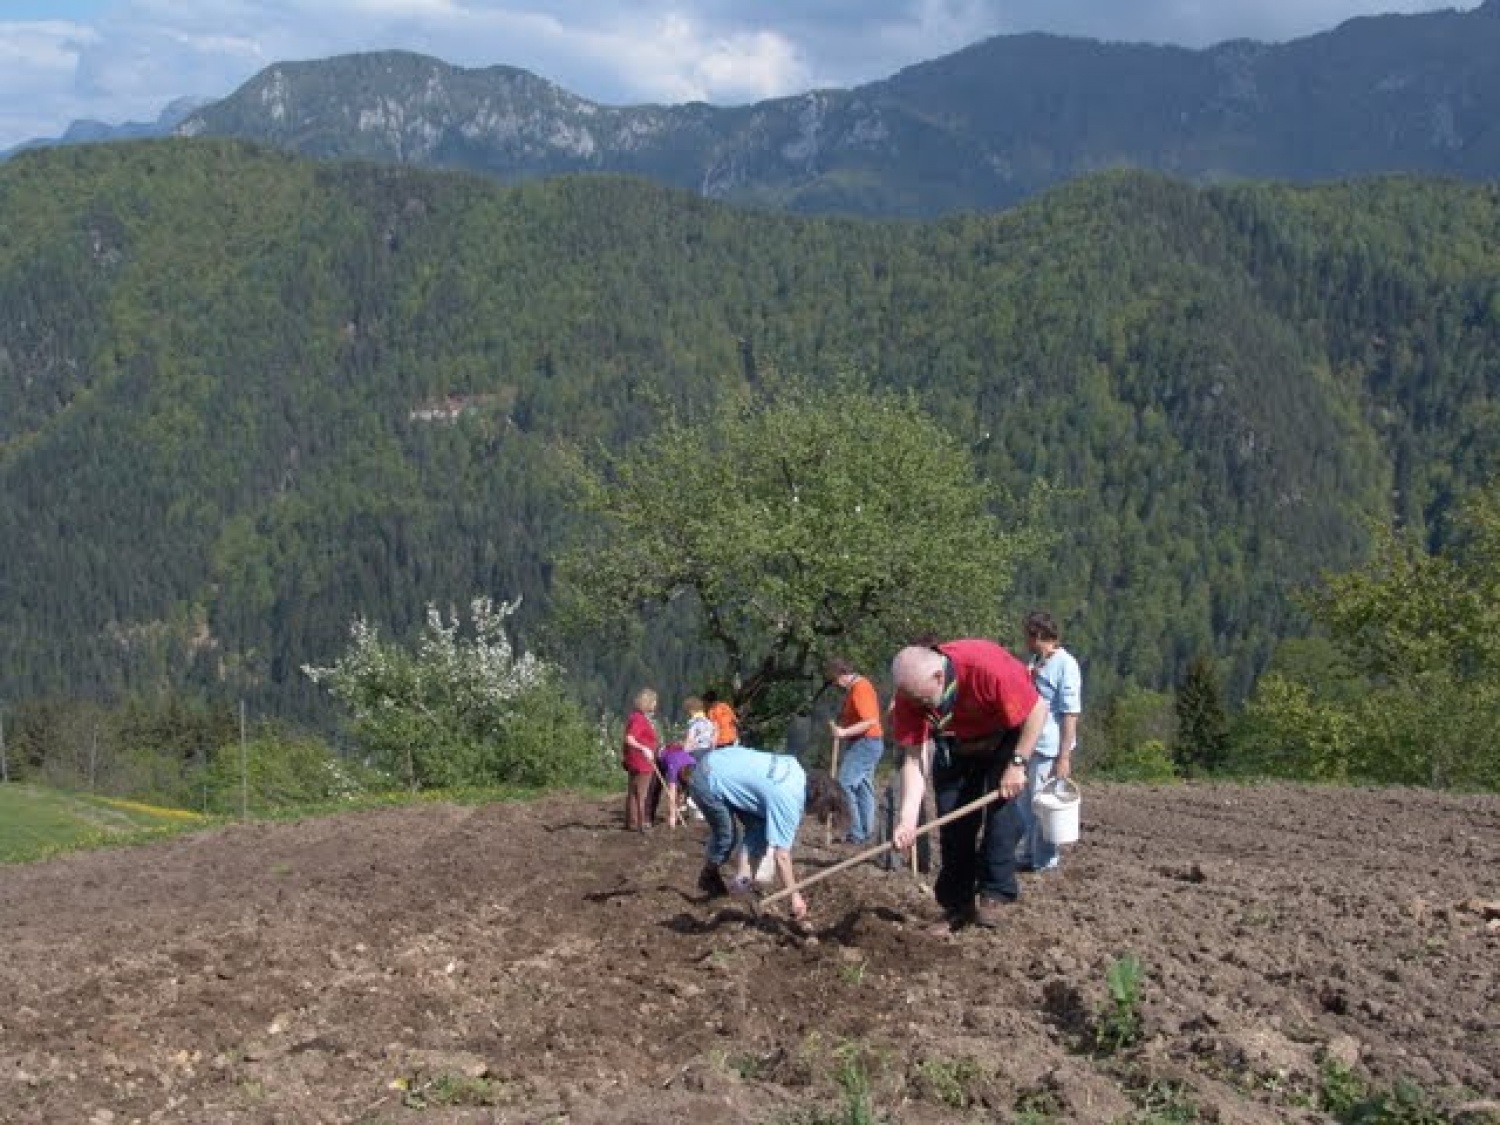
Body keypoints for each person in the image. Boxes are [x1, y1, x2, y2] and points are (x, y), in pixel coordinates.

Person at [889, 640, 1046, 930]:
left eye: (922, 699)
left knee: (1002, 817)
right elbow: (914, 759)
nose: (917, 705)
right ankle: (956, 905)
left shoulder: (986, 668)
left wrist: (1018, 764)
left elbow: (1038, 710)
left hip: (1004, 740)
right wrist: (907, 818)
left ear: (939, 677)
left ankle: (994, 895)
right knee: (954, 823)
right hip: (954, 745)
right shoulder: (909, 697)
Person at [686, 744, 847, 921]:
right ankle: (709, 874)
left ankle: (742, 880)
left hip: (722, 760)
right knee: (728, 837)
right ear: (819, 802)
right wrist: (795, 896)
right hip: (708, 779)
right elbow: (782, 856)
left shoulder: (796, 770)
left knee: (762, 826)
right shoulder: (789, 802)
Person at [1017, 611, 1083, 873]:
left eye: (1028, 636)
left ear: (1039, 636)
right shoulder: (1035, 661)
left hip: (1049, 746)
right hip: (1030, 743)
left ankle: (1045, 862)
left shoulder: (1066, 664)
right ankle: (1027, 853)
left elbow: (1070, 712)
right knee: (1025, 806)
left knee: (1043, 805)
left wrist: (1063, 755)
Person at [825, 657, 885, 845]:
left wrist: (843, 732)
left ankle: (856, 833)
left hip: (866, 743)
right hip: (867, 742)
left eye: (835, 680)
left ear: (842, 675)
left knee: (844, 785)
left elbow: (869, 721)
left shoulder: (861, 688)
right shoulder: (857, 688)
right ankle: (865, 832)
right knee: (863, 787)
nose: (836, 684)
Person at [621, 688, 660, 832]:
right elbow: (629, 738)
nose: (656, 704)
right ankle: (640, 823)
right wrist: (644, 748)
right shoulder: (640, 720)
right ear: (648, 702)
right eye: (654, 702)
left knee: (633, 791)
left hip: (634, 760)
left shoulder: (635, 717)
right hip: (642, 762)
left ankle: (631, 822)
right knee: (641, 793)